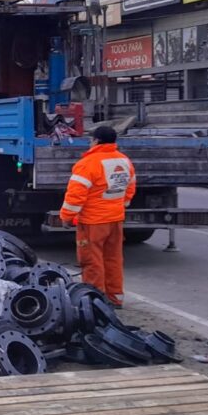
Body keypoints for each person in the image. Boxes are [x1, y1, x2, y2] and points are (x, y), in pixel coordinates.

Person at [59, 125, 136, 308]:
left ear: (96, 141)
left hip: (93, 222)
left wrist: (67, 217)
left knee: (91, 261)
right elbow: (130, 187)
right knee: (113, 260)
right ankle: (115, 298)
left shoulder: (88, 164)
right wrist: (119, 206)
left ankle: (94, 302)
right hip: (115, 220)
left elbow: (75, 195)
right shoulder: (124, 160)